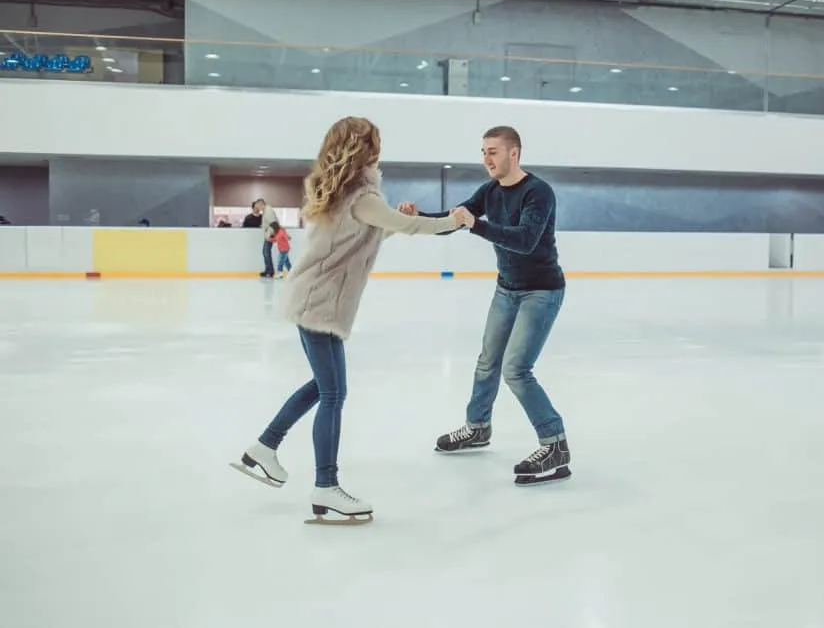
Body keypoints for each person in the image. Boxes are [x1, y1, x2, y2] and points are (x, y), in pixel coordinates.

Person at [231, 116, 462, 524]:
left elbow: (364, 233)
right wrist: (451, 221)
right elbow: (407, 224)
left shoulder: (342, 192)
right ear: (365, 148)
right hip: (321, 303)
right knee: (333, 393)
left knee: (325, 387)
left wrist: (393, 220)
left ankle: (265, 448)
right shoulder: (361, 195)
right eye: (375, 143)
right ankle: (325, 487)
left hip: (313, 299)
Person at [397, 125, 570, 486]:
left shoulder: (539, 192)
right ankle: (478, 428)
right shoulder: (489, 192)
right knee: (486, 362)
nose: (486, 159)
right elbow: (454, 220)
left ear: (514, 154)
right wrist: (417, 217)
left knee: (516, 370)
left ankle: (555, 445)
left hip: (541, 290)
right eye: (483, 151)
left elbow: (525, 240)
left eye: (493, 151)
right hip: (507, 289)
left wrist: (475, 225)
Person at [254, 198, 277, 278]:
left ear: (261, 204)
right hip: (268, 234)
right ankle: (268, 270)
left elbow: (274, 224)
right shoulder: (265, 211)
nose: (258, 209)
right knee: (265, 252)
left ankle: (270, 271)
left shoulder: (269, 211)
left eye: (258, 207)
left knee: (266, 252)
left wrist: (269, 234)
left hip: (270, 235)